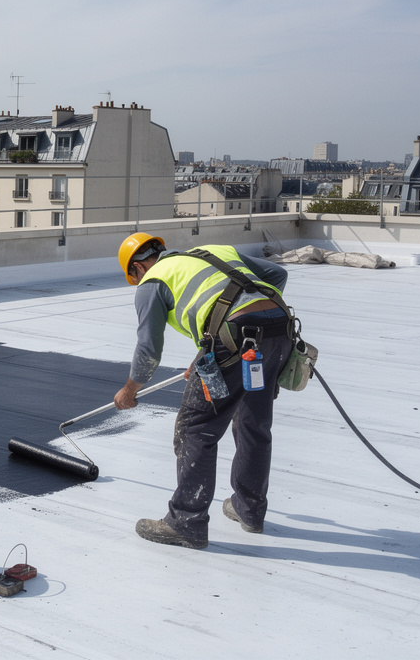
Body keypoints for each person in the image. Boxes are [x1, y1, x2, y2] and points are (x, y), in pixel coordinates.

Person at [112, 233, 293, 549]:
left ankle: (186, 522)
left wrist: (129, 390)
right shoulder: (213, 250)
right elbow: (278, 274)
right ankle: (249, 510)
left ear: (138, 267)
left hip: (235, 335)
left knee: (194, 429)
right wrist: (214, 344)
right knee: (253, 421)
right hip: (280, 328)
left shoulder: (152, 283)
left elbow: (149, 348)